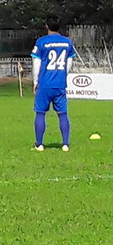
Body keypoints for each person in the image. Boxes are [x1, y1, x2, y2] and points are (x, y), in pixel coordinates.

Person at [31, 15, 76, 152]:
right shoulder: (67, 42)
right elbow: (69, 63)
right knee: (62, 114)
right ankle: (65, 144)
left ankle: (39, 144)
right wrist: (62, 76)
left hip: (44, 83)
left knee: (40, 113)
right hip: (60, 84)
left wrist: (35, 80)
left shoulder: (41, 42)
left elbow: (36, 62)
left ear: (46, 26)